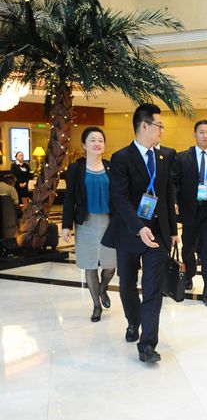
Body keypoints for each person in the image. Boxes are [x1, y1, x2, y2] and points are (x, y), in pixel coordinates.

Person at [101, 103, 178, 363]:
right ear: (144, 125)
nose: (162, 131)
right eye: (159, 126)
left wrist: (173, 231)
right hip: (129, 233)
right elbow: (120, 198)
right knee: (127, 285)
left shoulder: (163, 157)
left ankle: (147, 345)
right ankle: (133, 322)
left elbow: (167, 197)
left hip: (157, 234)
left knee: (153, 289)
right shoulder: (122, 158)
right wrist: (138, 227)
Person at [62, 127, 116, 322]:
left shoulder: (111, 167)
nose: (97, 143)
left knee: (110, 265)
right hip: (86, 222)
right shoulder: (76, 169)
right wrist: (66, 225)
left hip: (109, 222)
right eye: (92, 140)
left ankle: (102, 288)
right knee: (90, 265)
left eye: (100, 140)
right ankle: (96, 306)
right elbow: (69, 198)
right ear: (84, 145)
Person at [174, 119, 207, 305]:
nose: (205, 136)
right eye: (202, 132)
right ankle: (189, 274)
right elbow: (174, 183)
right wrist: (174, 202)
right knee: (188, 249)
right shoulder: (182, 157)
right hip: (190, 211)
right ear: (195, 134)